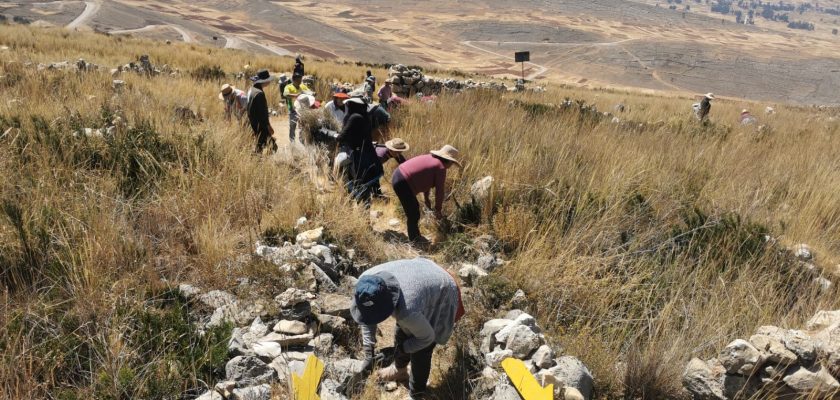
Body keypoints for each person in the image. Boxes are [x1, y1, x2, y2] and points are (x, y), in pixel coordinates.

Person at [347, 258, 464, 399]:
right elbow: (367, 316)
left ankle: (416, 394)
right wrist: (368, 350)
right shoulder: (365, 283)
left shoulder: (407, 310)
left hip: (443, 287)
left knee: (421, 351)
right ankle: (400, 370)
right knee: (402, 331)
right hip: (419, 276)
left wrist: (404, 348)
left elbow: (426, 338)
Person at [391, 145, 461, 242]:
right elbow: (439, 191)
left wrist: (426, 198)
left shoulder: (432, 159)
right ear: (449, 161)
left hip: (398, 175)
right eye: (452, 163)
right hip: (403, 182)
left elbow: (425, 179)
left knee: (414, 209)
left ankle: (415, 237)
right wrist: (438, 210)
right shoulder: (440, 167)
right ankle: (415, 240)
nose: (451, 165)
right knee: (413, 213)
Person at [336, 98, 383, 203]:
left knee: (358, 181)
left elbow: (342, 136)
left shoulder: (355, 117)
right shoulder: (365, 116)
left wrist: (333, 135)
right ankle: (367, 203)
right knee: (366, 180)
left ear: (353, 106)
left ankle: (362, 206)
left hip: (359, 156)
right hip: (368, 153)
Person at [246, 69, 276, 153]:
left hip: (254, 123)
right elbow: (262, 114)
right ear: (264, 81)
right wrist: (268, 126)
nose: (269, 82)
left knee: (260, 146)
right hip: (260, 125)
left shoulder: (252, 89)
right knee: (272, 147)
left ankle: (257, 159)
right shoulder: (259, 93)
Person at [283, 73, 311, 144]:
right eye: (298, 81)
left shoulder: (302, 86)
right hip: (293, 110)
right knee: (292, 127)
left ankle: (302, 142)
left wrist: (312, 93)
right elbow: (285, 94)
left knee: (302, 127)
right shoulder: (288, 87)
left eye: (300, 80)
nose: (299, 82)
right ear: (293, 80)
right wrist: (296, 95)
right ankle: (292, 143)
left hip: (302, 111)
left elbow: (309, 92)